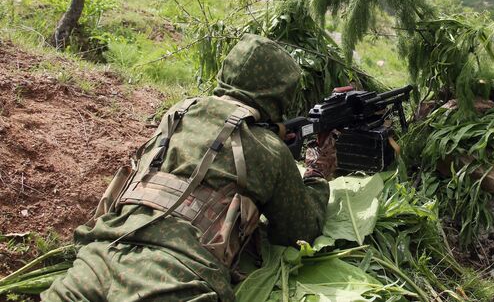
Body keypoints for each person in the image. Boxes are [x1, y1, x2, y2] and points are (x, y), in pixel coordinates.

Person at [42, 34, 337, 302]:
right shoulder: (268, 149)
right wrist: (317, 173)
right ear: (279, 93)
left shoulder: (177, 114)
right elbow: (299, 231)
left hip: (99, 258)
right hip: (173, 280)